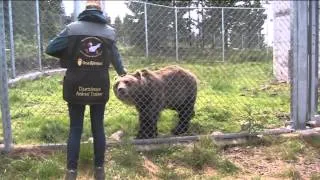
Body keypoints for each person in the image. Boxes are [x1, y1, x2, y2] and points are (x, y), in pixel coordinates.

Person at [45, 0, 126, 179]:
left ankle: (71, 172)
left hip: (75, 84)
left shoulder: (72, 28)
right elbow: (117, 60)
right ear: (100, 11)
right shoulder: (110, 32)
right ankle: (99, 170)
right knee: (98, 127)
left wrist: (70, 56)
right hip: (99, 85)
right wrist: (122, 72)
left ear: (85, 10)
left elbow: (50, 48)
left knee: (75, 128)